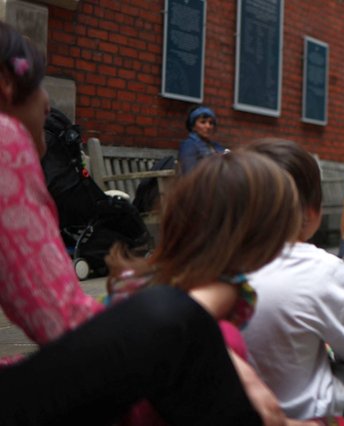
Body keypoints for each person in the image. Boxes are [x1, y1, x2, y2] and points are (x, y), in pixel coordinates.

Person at [0, 149, 304, 425]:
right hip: (138, 405)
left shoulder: (137, 274)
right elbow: (183, 321)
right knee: (227, 338)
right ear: (262, 239)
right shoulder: (228, 286)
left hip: (98, 389)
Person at [243, 138, 344, 420]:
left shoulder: (215, 261)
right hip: (304, 402)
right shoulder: (322, 267)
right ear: (311, 213)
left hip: (234, 399)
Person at [0, 21, 103, 359]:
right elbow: (63, 319)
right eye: (39, 84)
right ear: (7, 85)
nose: (48, 103)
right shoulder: (6, 142)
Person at [177, 104, 228, 174]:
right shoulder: (189, 145)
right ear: (193, 126)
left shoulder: (216, 146)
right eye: (203, 122)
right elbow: (189, 174)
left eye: (211, 123)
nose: (208, 126)